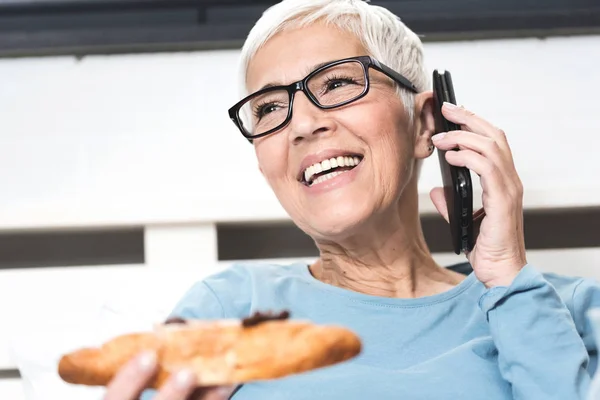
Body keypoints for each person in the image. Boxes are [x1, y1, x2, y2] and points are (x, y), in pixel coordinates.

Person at [106, 0, 600, 399]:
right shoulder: (230, 307)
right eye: (271, 108)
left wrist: (508, 279)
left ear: (426, 124)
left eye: (338, 82)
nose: (302, 125)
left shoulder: (559, 309)